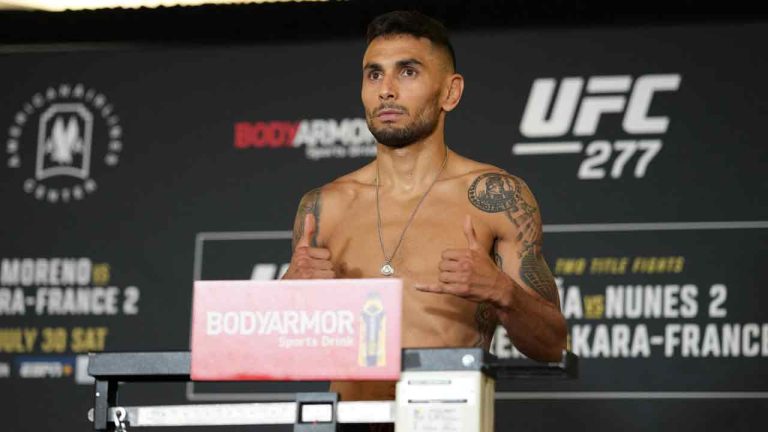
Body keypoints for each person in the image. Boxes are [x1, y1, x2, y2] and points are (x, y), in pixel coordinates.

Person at [282, 10, 567, 405]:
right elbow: (283, 348)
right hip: (349, 421)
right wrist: (289, 296)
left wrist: (503, 291)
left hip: (447, 419)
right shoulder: (324, 205)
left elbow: (553, 345)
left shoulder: (494, 198)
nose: (386, 90)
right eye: (374, 74)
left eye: (408, 72)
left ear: (450, 92)